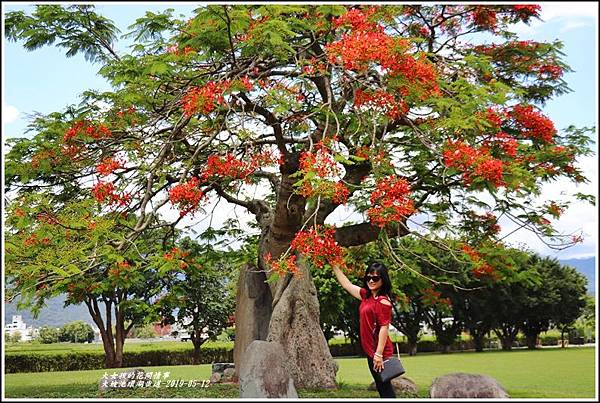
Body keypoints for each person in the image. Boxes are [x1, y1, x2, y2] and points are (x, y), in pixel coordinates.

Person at [332, 261, 396, 398]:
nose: (371, 281)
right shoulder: (366, 295)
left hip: (379, 352)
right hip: (370, 350)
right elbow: (347, 285)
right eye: (368, 277)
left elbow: (385, 328)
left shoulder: (383, 301)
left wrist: (378, 355)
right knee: (381, 386)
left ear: (383, 280)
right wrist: (333, 265)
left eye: (375, 278)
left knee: (385, 388)